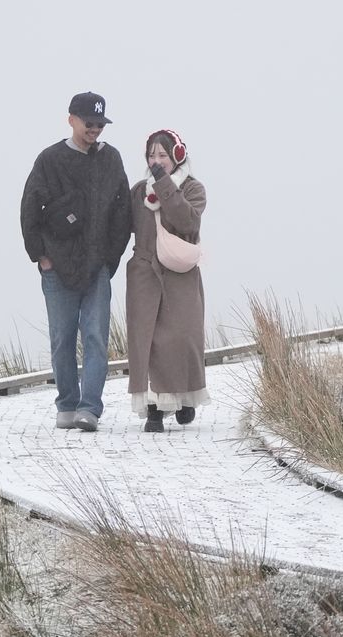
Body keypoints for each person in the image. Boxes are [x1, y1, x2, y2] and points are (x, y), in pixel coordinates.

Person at [20, 92, 131, 432]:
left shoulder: (111, 159)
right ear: (71, 119)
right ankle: (67, 405)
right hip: (57, 268)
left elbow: (123, 212)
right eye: (89, 123)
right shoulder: (49, 160)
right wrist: (41, 256)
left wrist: (109, 260)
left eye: (100, 124)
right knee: (62, 338)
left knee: (96, 336)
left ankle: (90, 408)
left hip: (97, 267)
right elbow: (29, 210)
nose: (95, 129)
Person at [126, 129, 210, 432]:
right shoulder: (138, 191)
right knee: (147, 341)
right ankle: (154, 411)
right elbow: (121, 227)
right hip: (144, 273)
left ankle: (186, 398)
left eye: (162, 154)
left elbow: (186, 221)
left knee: (182, 338)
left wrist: (163, 184)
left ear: (177, 156)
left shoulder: (192, 188)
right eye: (151, 155)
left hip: (180, 275)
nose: (156, 161)